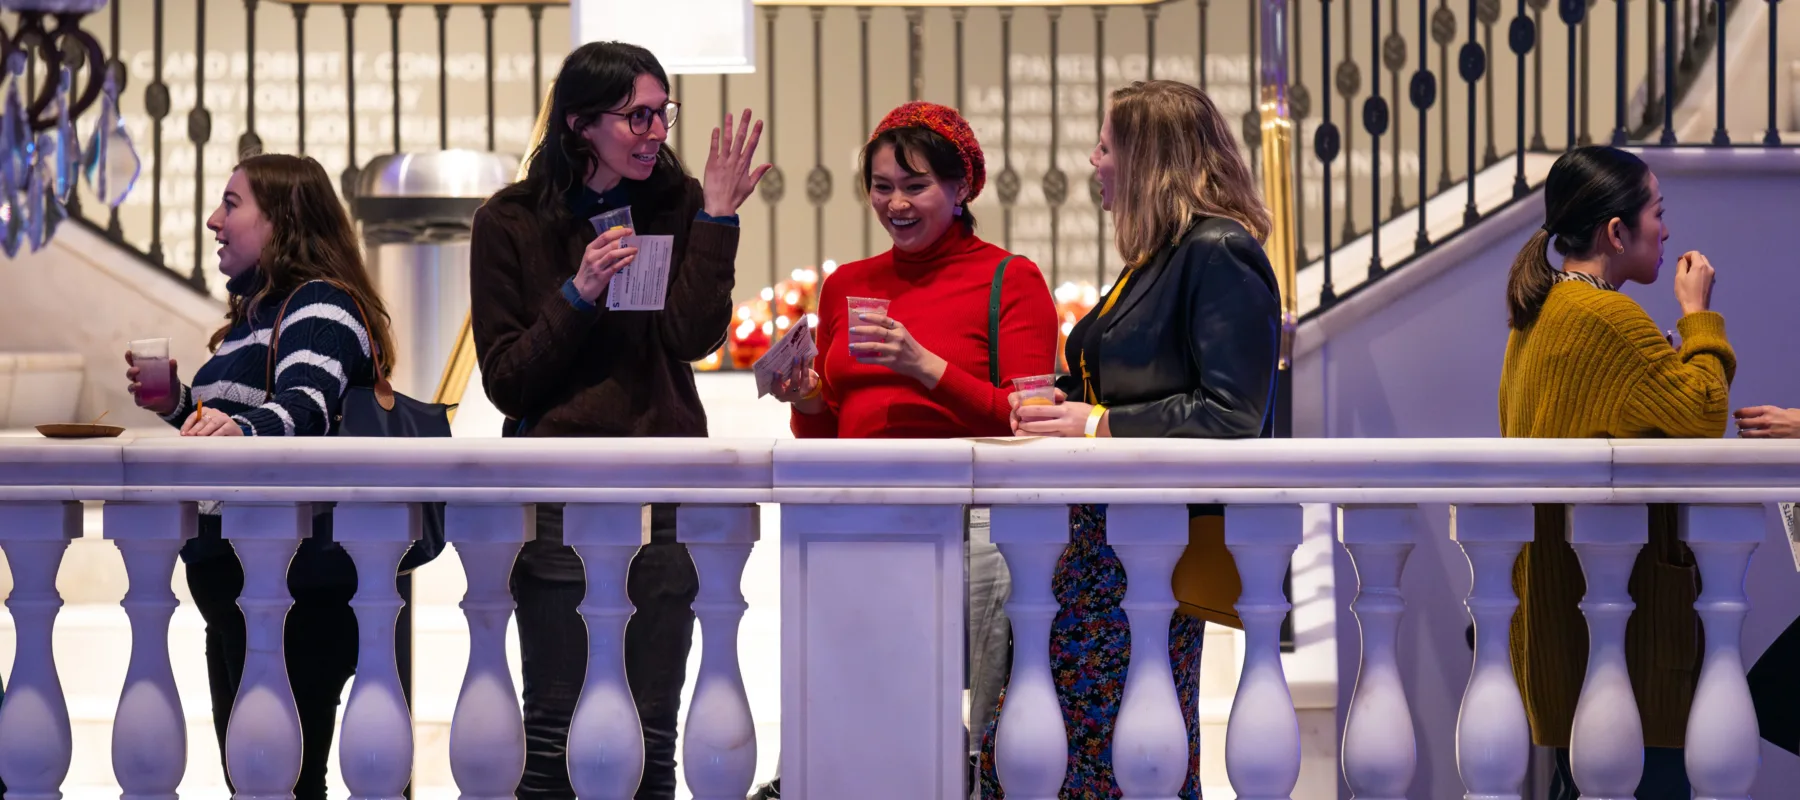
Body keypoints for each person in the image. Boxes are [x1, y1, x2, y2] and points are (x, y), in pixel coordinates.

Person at [467, 41, 768, 800]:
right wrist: (579, 292)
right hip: (560, 501)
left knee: (653, 734)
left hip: (662, 494)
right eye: (637, 116)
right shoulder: (509, 222)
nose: (654, 131)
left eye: (661, 113)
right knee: (552, 737)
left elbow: (692, 336)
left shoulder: (676, 201)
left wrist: (718, 216)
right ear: (580, 123)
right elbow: (508, 382)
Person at [984, 79, 1281, 799]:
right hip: (1094, 549)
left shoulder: (1220, 251)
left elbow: (1231, 413)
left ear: (1150, 158)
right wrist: (1071, 405)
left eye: (1107, 145)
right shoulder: (1162, 255)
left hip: (1140, 556)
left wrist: (1095, 421)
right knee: (1056, 745)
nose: (1093, 160)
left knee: (1112, 753)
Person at [758, 101, 1059, 799]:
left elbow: (1030, 423)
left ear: (960, 190)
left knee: (990, 719)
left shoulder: (1008, 280)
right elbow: (830, 431)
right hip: (859, 521)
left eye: (916, 185)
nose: (895, 202)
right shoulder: (846, 285)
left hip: (976, 522)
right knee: (876, 715)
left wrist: (925, 366)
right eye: (882, 185)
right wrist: (804, 395)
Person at [124, 153, 399, 799]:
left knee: (283, 783)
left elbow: (303, 410)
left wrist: (236, 426)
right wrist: (179, 406)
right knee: (257, 782)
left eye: (232, 204)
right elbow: (242, 433)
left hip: (292, 587)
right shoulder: (254, 320)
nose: (214, 221)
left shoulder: (321, 305)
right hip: (246, 591)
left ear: (283, 220)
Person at [1496, 145, 1729, 800]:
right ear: (1616, 231)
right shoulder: (1606, 318)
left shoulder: (1540, 312)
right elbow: (1706, 411)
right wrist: (1697, 314)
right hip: (1618, 637)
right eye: (1657, 212)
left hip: (1563, 623)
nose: (1667, 230)